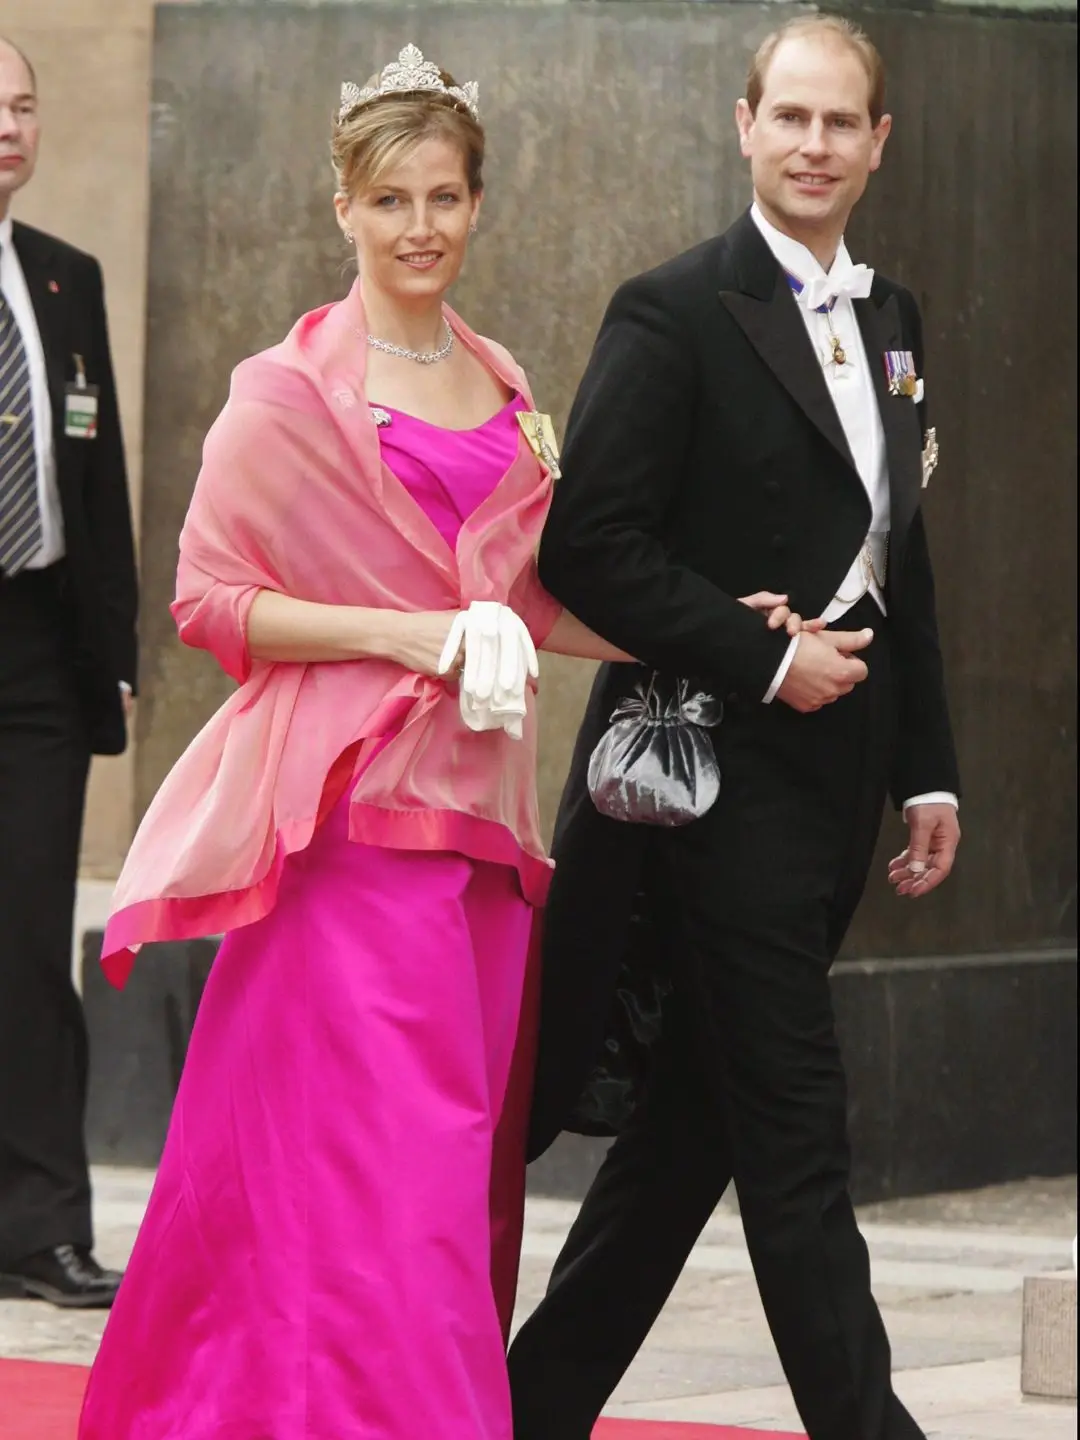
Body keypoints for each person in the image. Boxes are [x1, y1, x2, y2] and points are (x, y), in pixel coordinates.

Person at [75, 45, 785, 1440]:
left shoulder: (504, 377)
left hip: (481, 843)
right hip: (347, 830)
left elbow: (524, 596)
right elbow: (211, 603)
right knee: (399, 1171)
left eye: (446, 197)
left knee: (429, 1178)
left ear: (477, 205)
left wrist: (698, 627)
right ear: (342, 205)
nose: (421, 227)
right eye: (391, 198)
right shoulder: (285, 391)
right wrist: (410, 635)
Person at [509, 17, 961, 1440]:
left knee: (683, 1141)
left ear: (879, 144)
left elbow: (903, 557)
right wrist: (762, 656)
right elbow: (588, 548)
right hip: (705, 804)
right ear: (744, 124)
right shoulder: (672, 310)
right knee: (795, 1142)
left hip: (835, 800)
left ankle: (524, 1411)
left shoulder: (897, 323)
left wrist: (932, 770)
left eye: (844, 125)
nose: (815, 146)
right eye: (793, 119)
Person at [0, 37, 138, 1310]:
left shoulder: (62, 277)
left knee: (35, 941)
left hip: (38, 650)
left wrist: (119, 648)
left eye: (23, 105)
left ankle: (42, 1226)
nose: (8, 126)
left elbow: (97, 482)